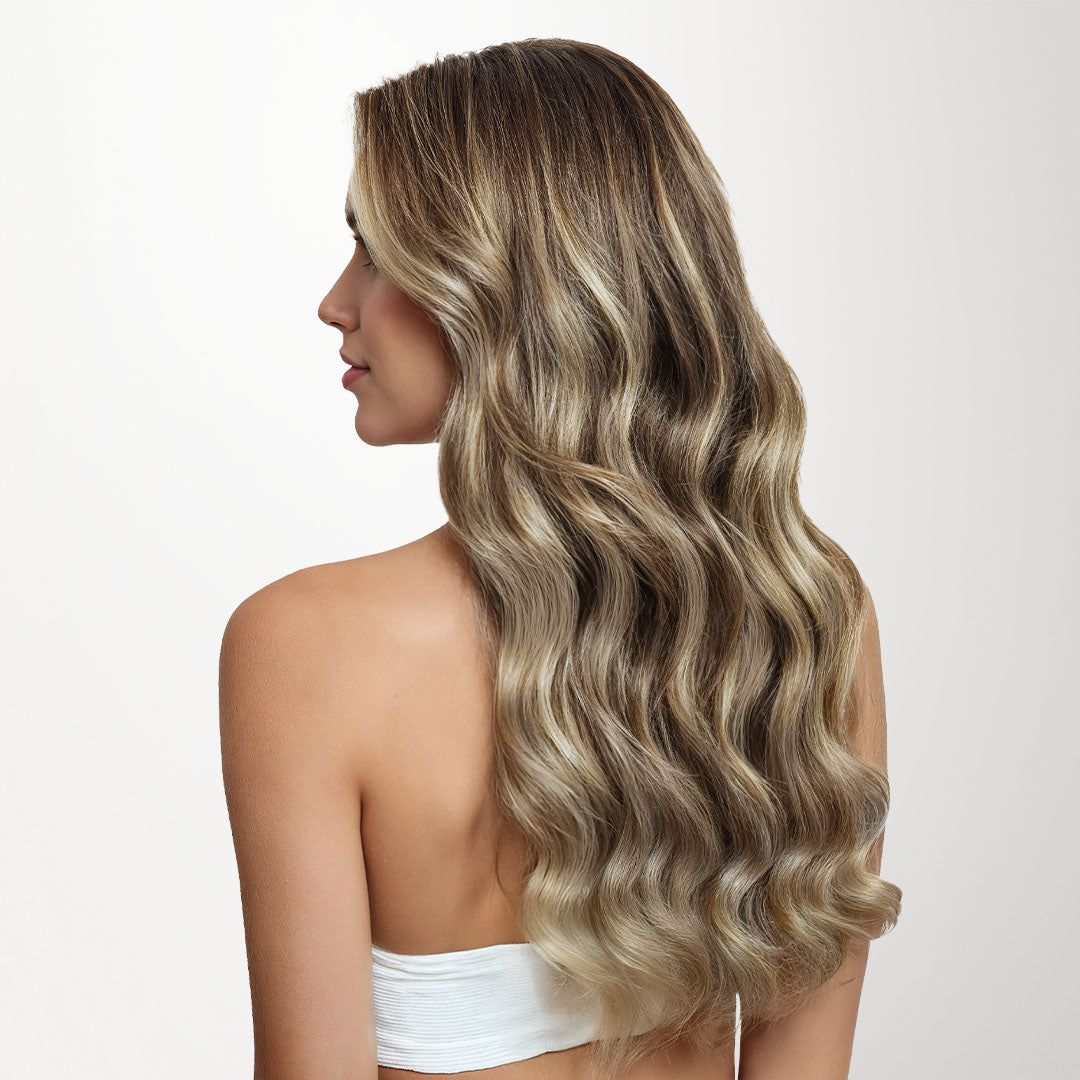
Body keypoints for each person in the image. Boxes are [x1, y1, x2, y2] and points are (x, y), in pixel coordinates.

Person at [218, 37, 901, 1080]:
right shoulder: (799, 611)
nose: (335, 301)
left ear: (499, 282)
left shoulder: (306, 645)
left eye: (377, 252)